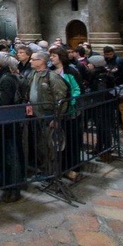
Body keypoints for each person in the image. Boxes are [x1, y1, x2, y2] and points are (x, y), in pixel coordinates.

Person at [25, 51, 69, 174]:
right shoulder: (32, 74)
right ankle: (44, 170)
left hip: (48, 116)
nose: (30, 61)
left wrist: (56, 118)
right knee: (39, 145)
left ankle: (52, 173)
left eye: (33, 59)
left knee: (49, 146)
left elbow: (61, 98)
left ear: (41, 61)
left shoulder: (52, 77)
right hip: (35, 115)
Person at [0, 52, 23, 202]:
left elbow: (3, 102)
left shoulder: (7, 79)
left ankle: (14, 188)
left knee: (11, 155)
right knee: (3, 155)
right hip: (2, 122)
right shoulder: (0, 77)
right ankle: (4, 182)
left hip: (9, 123)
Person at [49, 46, 82, 180]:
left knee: (71, 139)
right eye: (50, 55)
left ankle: (71, 167)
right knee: (56, 141)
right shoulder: (50, 71)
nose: (51, 58)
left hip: (69, 112)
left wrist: (69, 104)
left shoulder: (71, 71)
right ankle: (58, 167)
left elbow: (77, 89)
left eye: (53, 56)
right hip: (55, 112)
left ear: (61, 57)